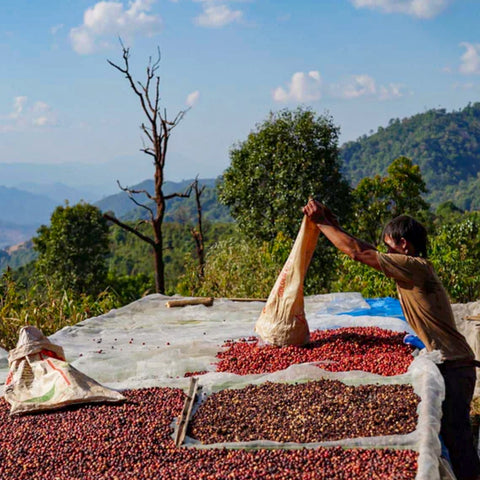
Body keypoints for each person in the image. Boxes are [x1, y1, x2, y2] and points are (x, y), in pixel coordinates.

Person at [303, 199, 480, 480]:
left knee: (457, 440)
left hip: (454, 365)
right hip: (452, 364)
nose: (385, 254)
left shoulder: (415, 267)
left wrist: (321, 224)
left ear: (404, 245)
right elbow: (368, 251)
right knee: (452, 436)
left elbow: (359, 252)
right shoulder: (411, 266)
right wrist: (333, 224)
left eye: (389, 248)